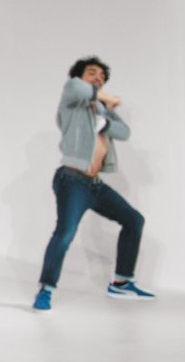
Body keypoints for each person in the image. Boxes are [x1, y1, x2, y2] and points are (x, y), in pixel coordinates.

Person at [32, 57, 152, 312]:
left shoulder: (101, 108)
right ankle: (46, 289)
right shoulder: (73, 100)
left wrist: (105, 120)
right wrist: (103, 96)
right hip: (71, 180)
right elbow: (77, 87)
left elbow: (124, 131)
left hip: (94, 184)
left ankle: (121, 282)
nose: (97, 78)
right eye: (92, 73)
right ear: (80, 76)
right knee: (65, 233)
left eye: (101, 76)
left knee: (134, 220)